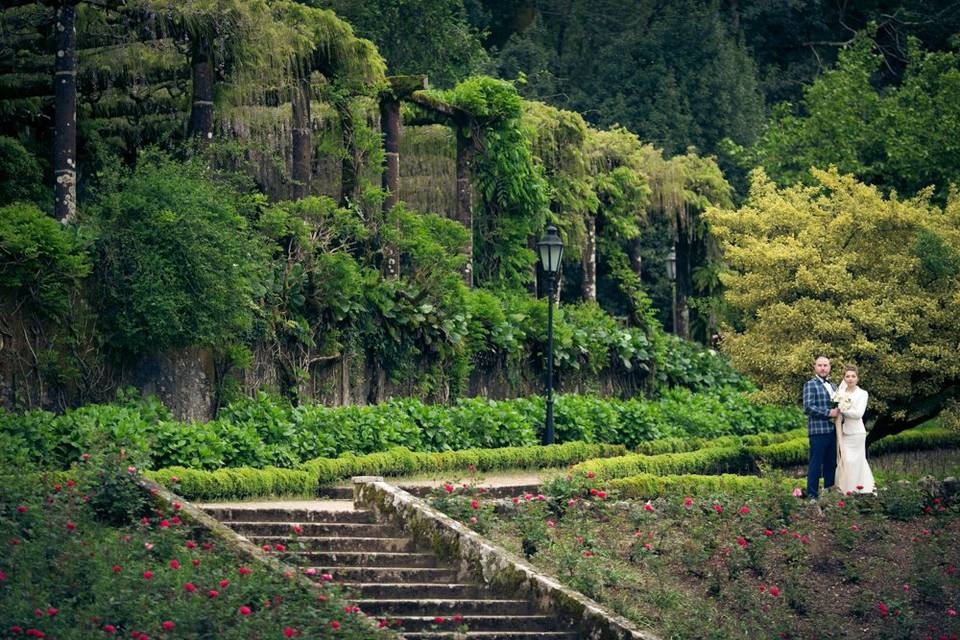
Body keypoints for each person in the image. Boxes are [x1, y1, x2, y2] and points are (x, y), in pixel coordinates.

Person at [834, 364, 875, 493]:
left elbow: (858, 414)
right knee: (844, 462)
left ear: (857, 378)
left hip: (857, 434)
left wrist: (843, 409)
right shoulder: (840, 394)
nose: (850, 379)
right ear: (844, 378)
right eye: (847, 376)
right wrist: (839, 407)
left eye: (853, 376)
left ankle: (862, 490)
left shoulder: (863, 394)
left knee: (857, 463)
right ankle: (844, 490)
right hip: (844, 434)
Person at [802, 356, 839, 499]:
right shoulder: (810, 384)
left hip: (834, 431)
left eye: (825, 365)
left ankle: (828, 495)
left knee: (831, 464)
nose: (823, 368)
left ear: (829, 367)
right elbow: (808, 407)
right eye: (820, 365)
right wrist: (829, 413)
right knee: (815, 465)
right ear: (815, 367)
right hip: (818, 431)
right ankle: (812, 496)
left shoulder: (834, 386)